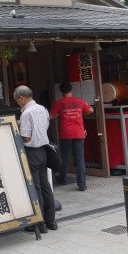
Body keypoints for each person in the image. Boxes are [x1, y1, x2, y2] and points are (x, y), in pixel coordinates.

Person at [14, 85, 57, 234]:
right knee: (45, 186)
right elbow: (42, 127)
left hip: (31, 153)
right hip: (43, 152)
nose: (17, 103)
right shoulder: (42, 109)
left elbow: (26, 138)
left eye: (17, 100)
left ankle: (39, 223)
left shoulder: (26, 114)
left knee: (36, 187)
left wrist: (18, 133)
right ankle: (51, 221)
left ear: (22, 98)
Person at [50, 82, 94, 191]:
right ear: (72, 90)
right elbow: (90, 110)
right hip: (79, 133)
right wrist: (80, 114)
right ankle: (82, 184)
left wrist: (61, 114)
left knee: (64, 157)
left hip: (66, 133)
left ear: (61, 92)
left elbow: (51, 116)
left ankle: (63, 178)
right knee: (80, 159)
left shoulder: (59, 103)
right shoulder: (79, 101)